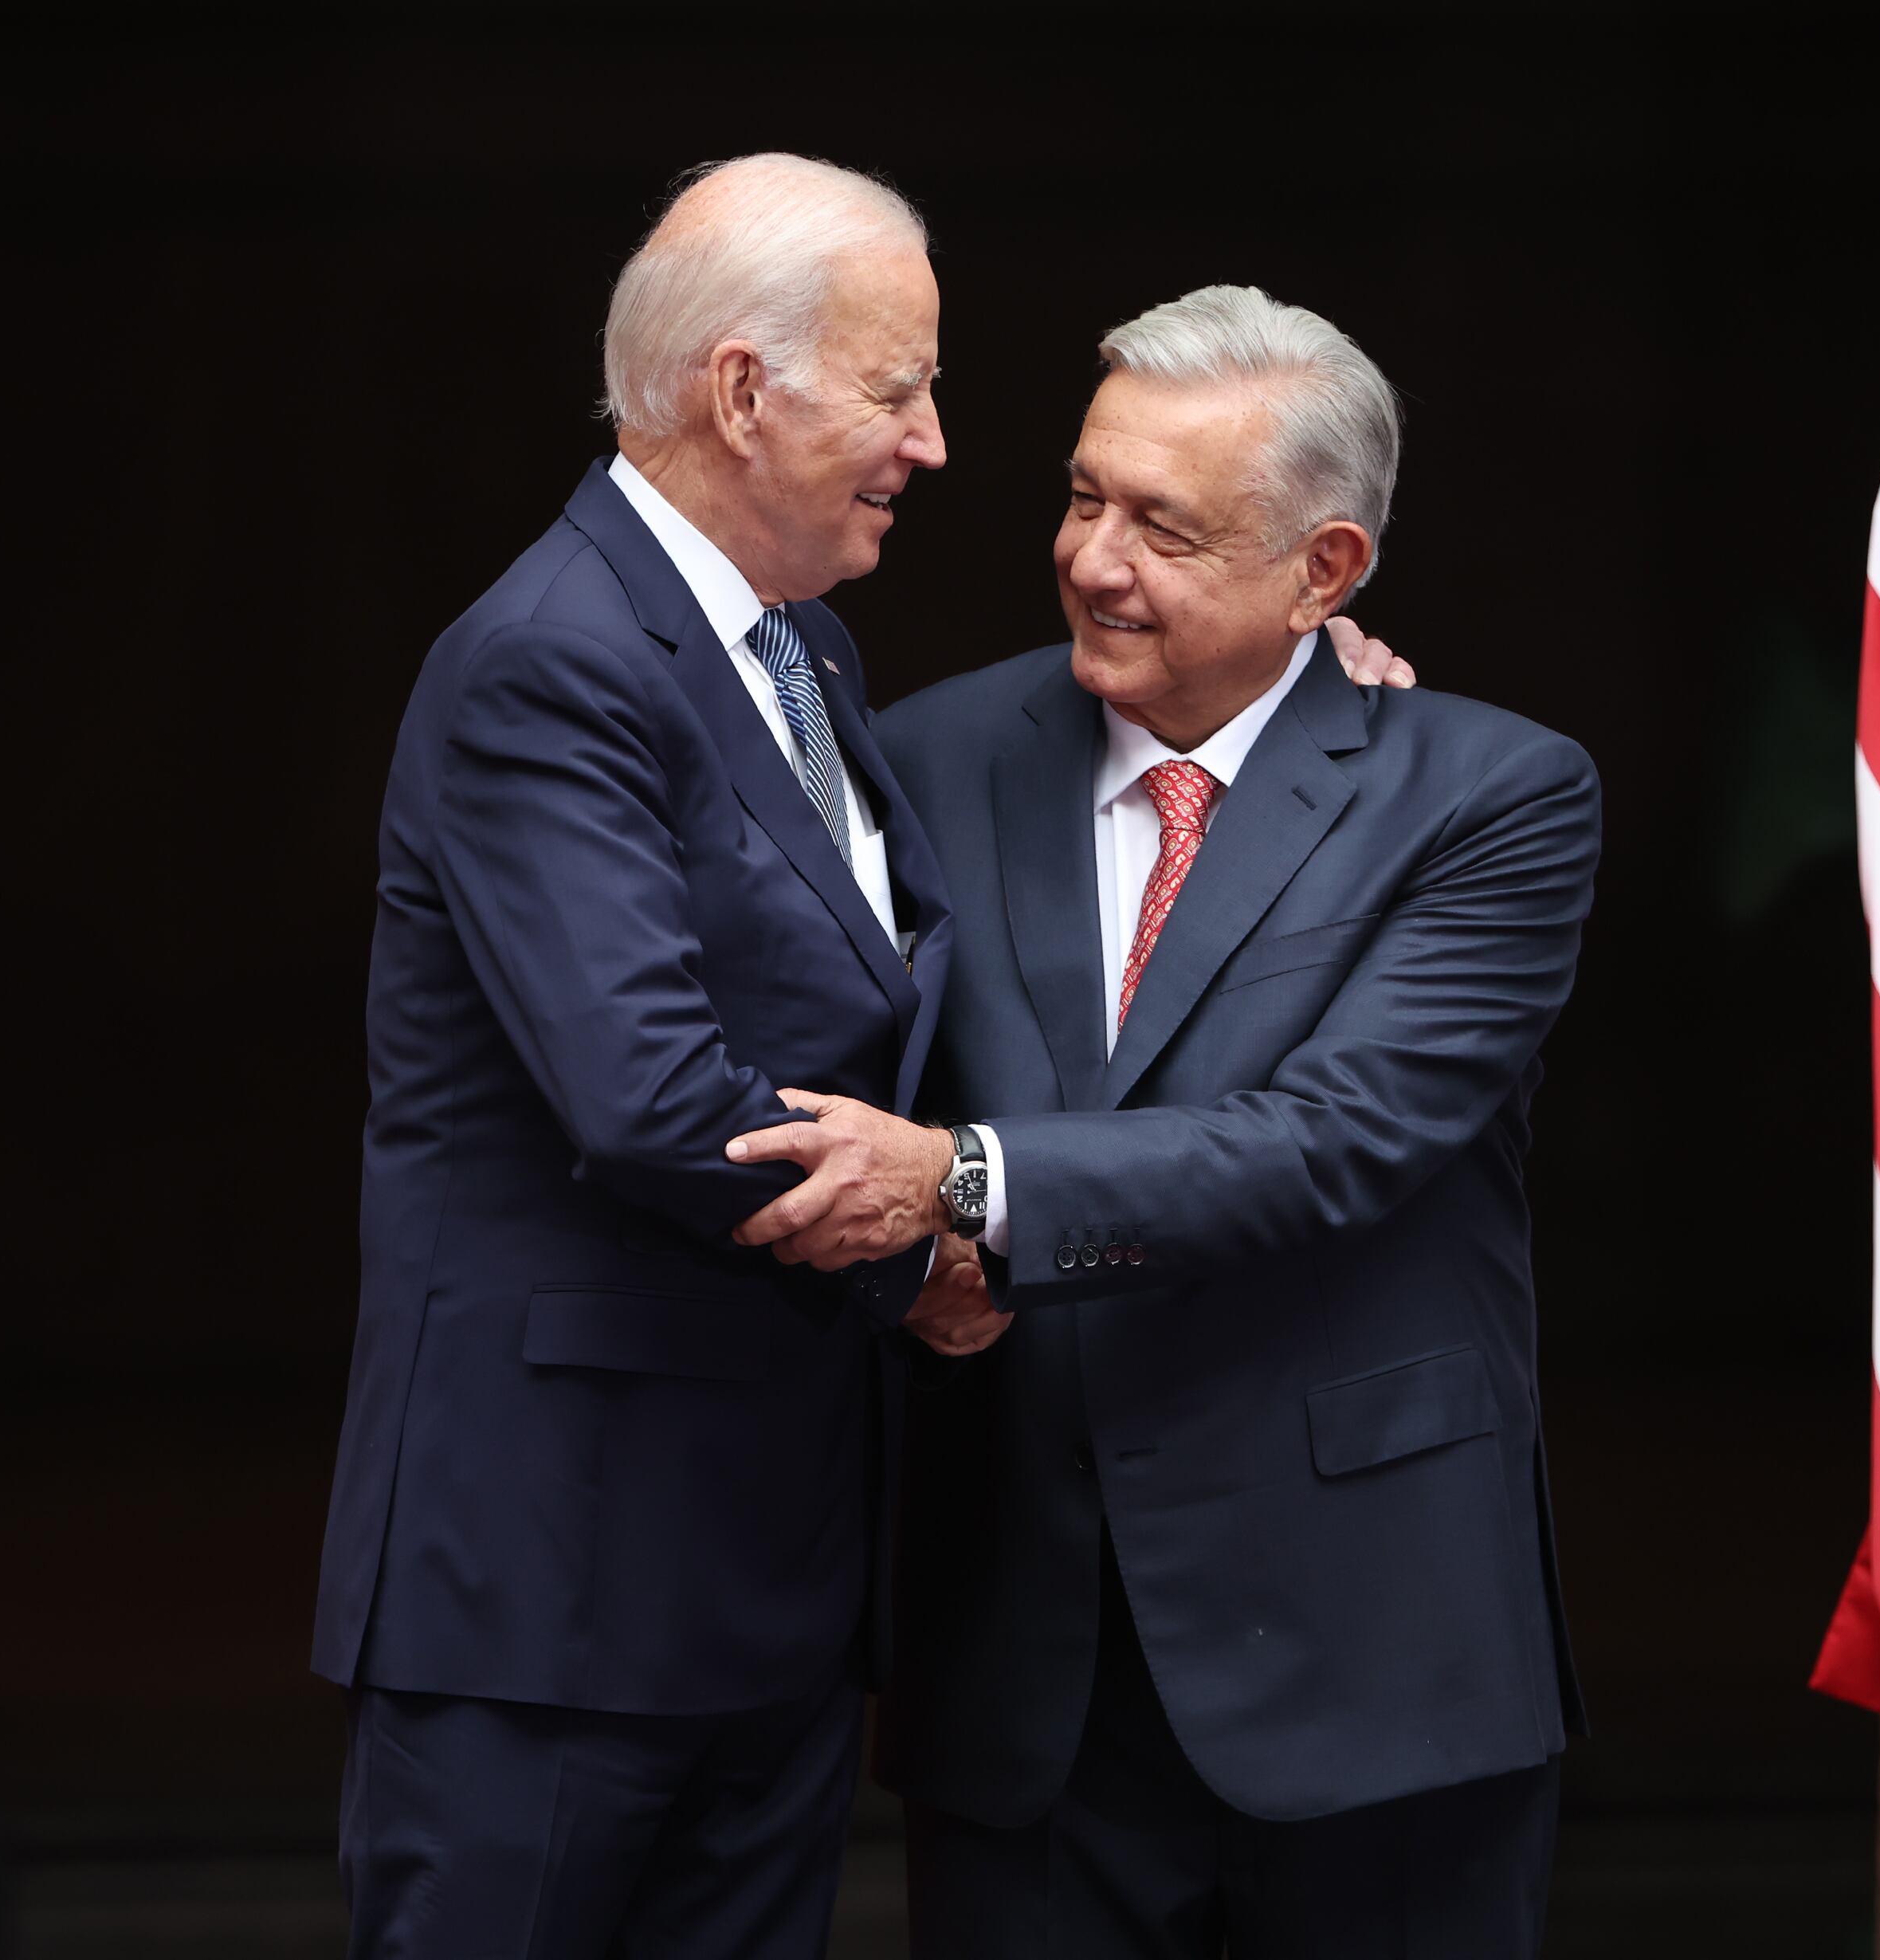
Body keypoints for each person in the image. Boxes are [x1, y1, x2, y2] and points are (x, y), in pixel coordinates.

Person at [315, 159, 1408, 1959]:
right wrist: (943, 1255)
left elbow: (932, 944)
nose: (934, 441)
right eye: (900, 388)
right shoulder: (546, 662)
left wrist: (1297, 682)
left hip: (771, 1589)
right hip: (547, 1592)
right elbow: (653, 1100)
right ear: (744, 393)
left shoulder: (806, 657)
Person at [728, 285, 1599, 1957]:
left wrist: (961, 1182)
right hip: (1025, 1672)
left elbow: (1335, 1136)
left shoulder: (1489, 795)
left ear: (1324, 572)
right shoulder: (920, 755)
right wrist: (900, 1269)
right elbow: (819, 1085)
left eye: (1165, 529)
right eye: (1081, 494)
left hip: (1372, 1657)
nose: (1091, 559)